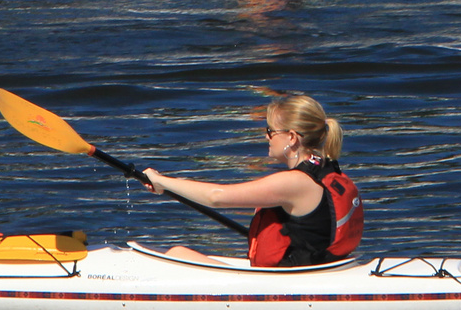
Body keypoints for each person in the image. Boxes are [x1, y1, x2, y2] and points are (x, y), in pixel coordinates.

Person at [142, 93, 363, 267]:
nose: (266, 137)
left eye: (270, 131)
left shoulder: (294, 182)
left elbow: (216, 197)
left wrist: (161, 181)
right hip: (318, 267)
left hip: (288, 281)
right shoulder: (325, 169)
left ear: (292, 138)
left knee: (176, 254)